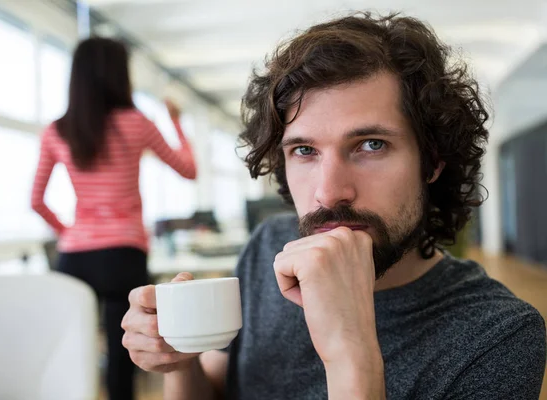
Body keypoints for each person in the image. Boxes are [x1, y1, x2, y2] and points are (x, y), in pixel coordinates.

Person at [120, 13, 547, 399]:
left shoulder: (497, 334)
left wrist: (351, 353)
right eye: (305, 150)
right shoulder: (271, 244)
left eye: (370, 145)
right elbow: (217, 387)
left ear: (432, 161)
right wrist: (180, 363)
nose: (329, 192)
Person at [31, 37, 197, 400]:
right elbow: (188, 169)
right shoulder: (137, 123)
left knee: (66, 356)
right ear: (118, 74)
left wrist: (70, 234)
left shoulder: (57, 130)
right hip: (123, 253)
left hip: (74, 258)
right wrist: (176, 123)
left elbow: (36, 201)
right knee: (124, 355)